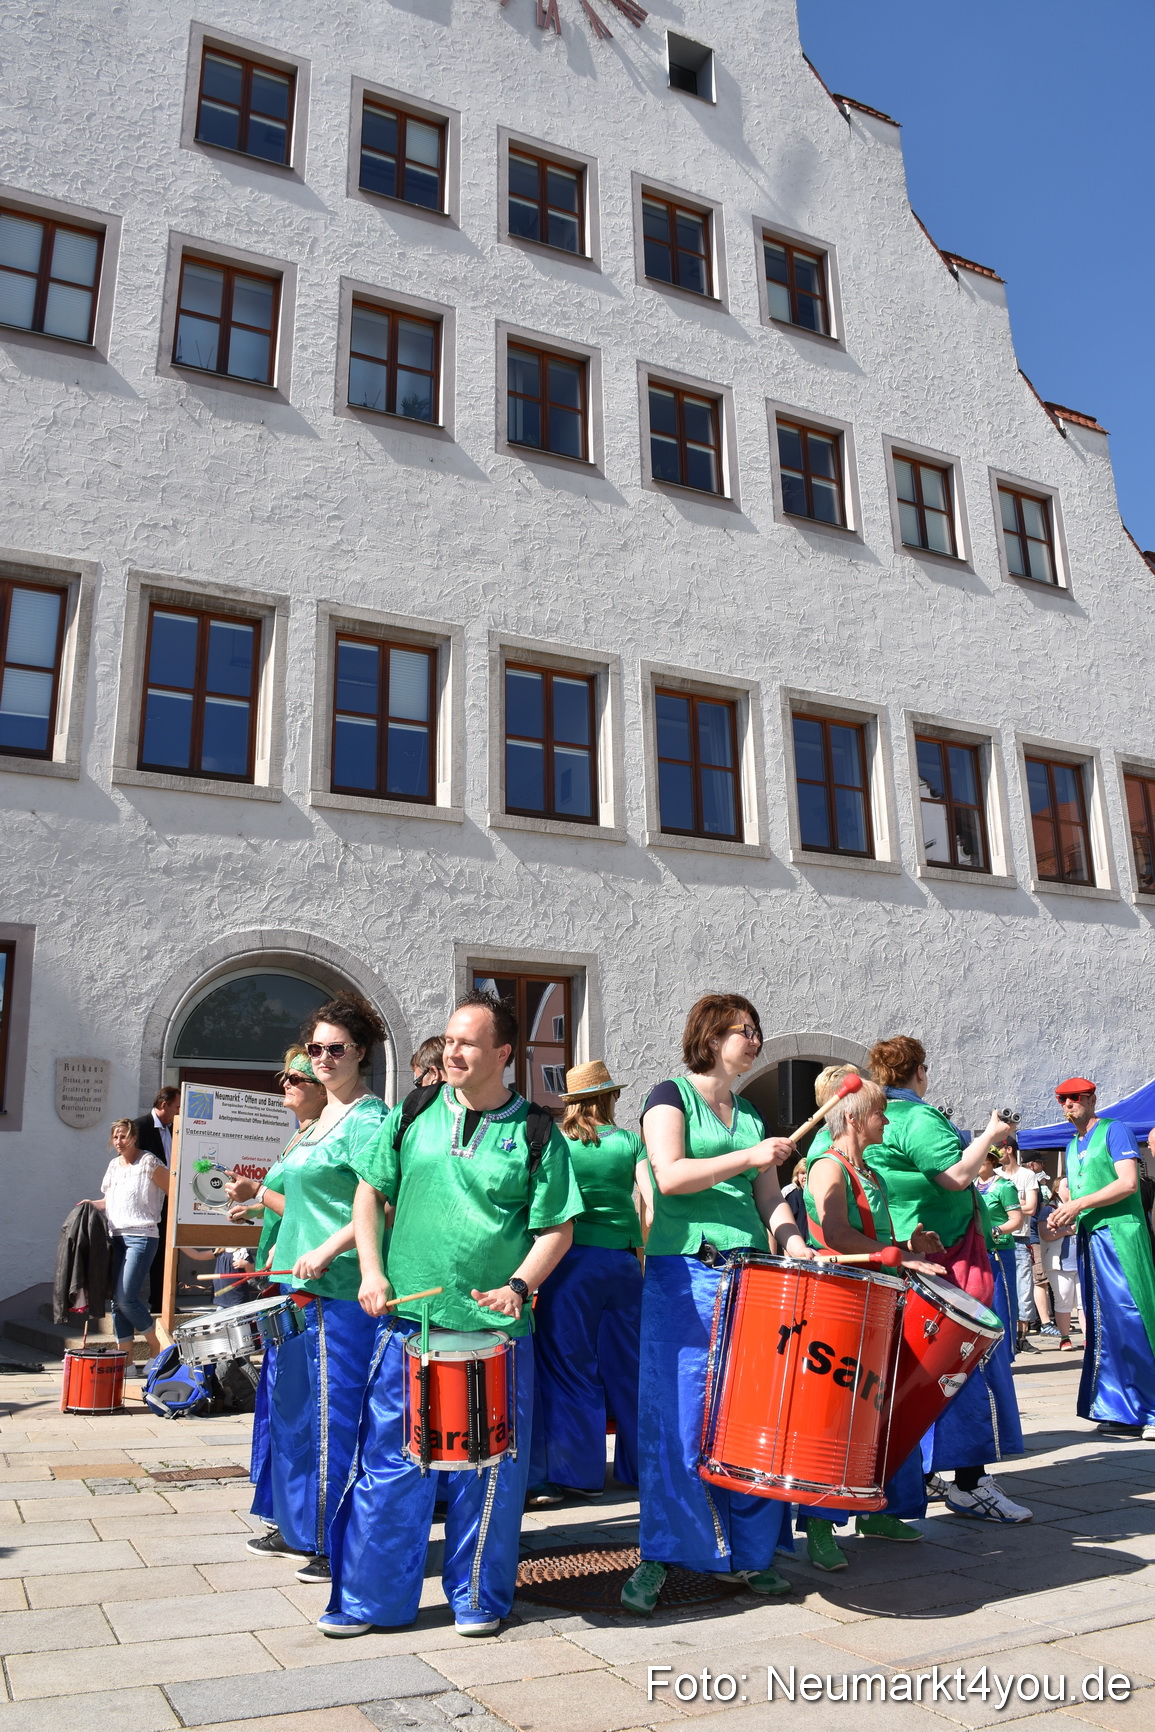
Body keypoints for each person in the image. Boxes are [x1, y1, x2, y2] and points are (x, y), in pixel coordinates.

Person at [319, 990, 583, 1639]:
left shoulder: (536, 1132)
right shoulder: (412, 1113)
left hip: (493, 1336)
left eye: (468, 1041)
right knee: (392, 1469)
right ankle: (368, 1602)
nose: (453, 1050)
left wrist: (519, 1286)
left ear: (501, 1053)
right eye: (448, 1039)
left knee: (487, 1473)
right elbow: (369, 1194)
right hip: (410, 1329)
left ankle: (478, 1599)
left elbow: (556, 1230)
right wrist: (374, 1271)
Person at [620, 994, 809, 1617]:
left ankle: (751, 1556)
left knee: (751, 1418)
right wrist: (751, 1156)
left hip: (753, 1275)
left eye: (757, 1030)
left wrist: (797, 1243)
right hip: (686, 1277)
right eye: (742, 1030)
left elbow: (770, 1200)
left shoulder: (750, 1113)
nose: (753, 1040)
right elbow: (668, 1174)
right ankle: (663, 1552)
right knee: (678, 1418)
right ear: (709, 1035)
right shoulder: (668, 1096)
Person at [230, 998, 389, 1582]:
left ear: (360, 1053)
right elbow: (300, 1199)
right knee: (298, 1412)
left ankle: (336, 1536)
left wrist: (328, 1248)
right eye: (316, 1048)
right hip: (296, 1286)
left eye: (335, 1049)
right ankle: (301, 1525)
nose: (323, 1058)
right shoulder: (319, 1122)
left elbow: (384, 1204)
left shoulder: (370, 1119)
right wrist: (278, 1244)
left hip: (342, 1288)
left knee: (337, 1415)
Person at [865, 1036, 1031, 1524]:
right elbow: (958, 1176)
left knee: (917, 1373)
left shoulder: (879, 1119)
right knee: (965, 1366)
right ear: (919, 1072)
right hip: (946, 1261)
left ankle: (931, 1476)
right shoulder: (916, 1118)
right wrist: (993, 1133)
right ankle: (970, 1482)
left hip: (906, 1257)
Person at [798, 1076, 942, 1571]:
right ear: (855, 1119)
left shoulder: (870, 1171)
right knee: (835, 1415)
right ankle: (818, 1525)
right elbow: (834, 1230)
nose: (887, 1120)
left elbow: (870, 1232)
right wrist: (894, 1256)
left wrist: (910, 1244)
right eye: (881, 1113)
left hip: (875, 1297)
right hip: (840, 1302)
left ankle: (873, 1509)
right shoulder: (827, 1167)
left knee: (879, 1409)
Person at [526, 1059, 650, 1507]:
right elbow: (649, 1205)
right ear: (610, 1096)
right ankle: (642, 1467)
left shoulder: (558, 1142)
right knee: (629, 1365)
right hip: (622, 1264)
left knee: (570, 1366)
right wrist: (644, 1259)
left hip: (571, 1262)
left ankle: (579, 1473)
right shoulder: (631, 1142)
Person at [227, 1046, 328, 1543]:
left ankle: (303, 1523)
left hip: (311, 1279)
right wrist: (256, 1220)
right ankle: (284, 1515)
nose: (284, 1084)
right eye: (283, 1076)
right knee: (280, 1396)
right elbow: (290, 1211)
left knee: (297, 1400)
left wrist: (258, 1194)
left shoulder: (327, 1135)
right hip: (283, 1273)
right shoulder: (300, 1137)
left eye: (295, 1078)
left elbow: (317, 1212)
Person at [1049, 1078, 1155, 1440]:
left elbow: (1128, 1183)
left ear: (1092, 1099)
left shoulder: (1116, 1130)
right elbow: (1082, 1195)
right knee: (1105, 1325)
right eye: (1062, 1099)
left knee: (1133, 1317)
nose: (1068, 1105)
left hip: (1121, 1236)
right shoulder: (1071, 1142)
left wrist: (1078, 1204)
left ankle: (1150, 1409)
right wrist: (1064, 1212)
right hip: (1092, 1238)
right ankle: (1122, 1409)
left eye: (1075, 1098)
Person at [81, 1119, 169, 1365]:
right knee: (117, 1302)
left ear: (134, 1137)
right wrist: (90, 1204)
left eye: (123, 1137)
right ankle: (126, 1361)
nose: (119, 1142)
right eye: (115, 1137)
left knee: (126, 1297)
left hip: (141, 1236)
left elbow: (173, 1192)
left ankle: (157, 1346)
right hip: (115, 1236)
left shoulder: (149, 1162)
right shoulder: (113, 1166)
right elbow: (109, 1200)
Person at [135, 1086, 179, 1309]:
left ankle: (161, 1301)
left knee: (165, 1250)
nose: (179, 1112)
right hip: (148, 1201)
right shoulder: (140, 1126)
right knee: (146, 1250)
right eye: (177, 1107)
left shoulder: (175, 1129)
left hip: (170, 1198)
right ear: (164, 1105)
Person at [977, 1151, 1024, 1354]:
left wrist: (996, 1230)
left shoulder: (1004, 1186)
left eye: (982, 1158)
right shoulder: (970, 1186)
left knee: (1002, 1301)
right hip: (978, 1250)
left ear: (991, 1162)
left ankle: (1005, 1353)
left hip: (999, 1251)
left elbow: (1016, 1220)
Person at [999, 1142, 1039, 1352]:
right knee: (1000, 1290)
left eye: (998, 1148)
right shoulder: (994, 1173)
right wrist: (1017, 1204)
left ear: (1009, 1149)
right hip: (997, 1240)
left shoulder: (1026, 1175)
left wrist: (1004, 1205)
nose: (995, 1153)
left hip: (1020, 1239)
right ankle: (1005, 1338)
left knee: (1023, 1289)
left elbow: (1031, 1208)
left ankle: (1021, 1337)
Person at [1036, 1176, 1079, 1351]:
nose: (1070, 1189)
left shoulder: (1081, 1208)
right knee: (1063, 1300)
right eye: (1066, 1186)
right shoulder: (1049, 1209)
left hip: (1080, 1261)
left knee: (1084, 1303)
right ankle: (1065, 1338)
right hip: (1059, 1263)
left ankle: (1088, 1339)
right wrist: (1069, 1230)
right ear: (1057, 1190)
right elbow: (1046, 1234)